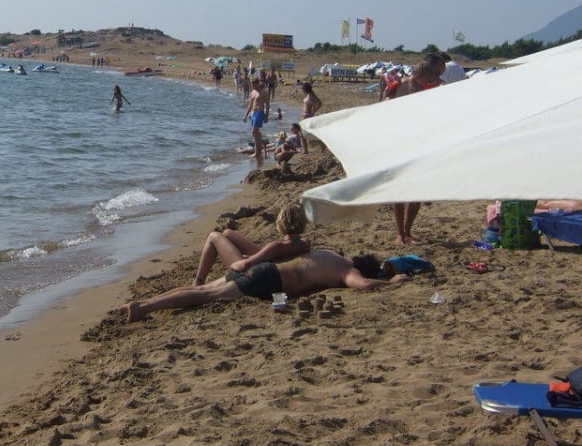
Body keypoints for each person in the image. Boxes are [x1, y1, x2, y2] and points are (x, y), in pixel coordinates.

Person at [123, 250, 410, 322]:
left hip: (266, 269)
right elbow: (362, 285)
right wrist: (390, 282)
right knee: (206, 296)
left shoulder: (331, 254)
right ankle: (143, 308)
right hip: (269, 280)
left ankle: (144, 303)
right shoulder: (347, 270)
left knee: (201, 289)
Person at [388, 53, 446, 243]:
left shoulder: (435, 88)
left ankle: (407, 231)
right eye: (436, 74)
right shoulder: (402, 85)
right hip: (400, 142)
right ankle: (399, 233)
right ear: (425, 71)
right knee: (398, 189)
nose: (438, 78)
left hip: (421, 143)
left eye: (440, 74)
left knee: (417, 189)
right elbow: (385, 110)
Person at [194, 203, 311, 285]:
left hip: (254, 274)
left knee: (213, 236)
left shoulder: (277, 246)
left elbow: (244, 266)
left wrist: (241, 260)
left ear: (281, 222)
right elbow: (273, 257)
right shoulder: (305, 243)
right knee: (227, 233)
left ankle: (199, 281)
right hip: (272, 264)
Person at [243, 78, 270, 161]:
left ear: (258, 84)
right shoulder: (253, 92)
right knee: (255, 133)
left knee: (255, 131)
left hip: (260, 112)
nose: (253, 86)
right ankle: (259, 149)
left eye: (254, 85)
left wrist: (267, 116)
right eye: (252, 85)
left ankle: (257, 152)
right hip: (253, 113)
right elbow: (250, 105)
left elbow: (267, 105)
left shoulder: (264, 92)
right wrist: (246, 115)